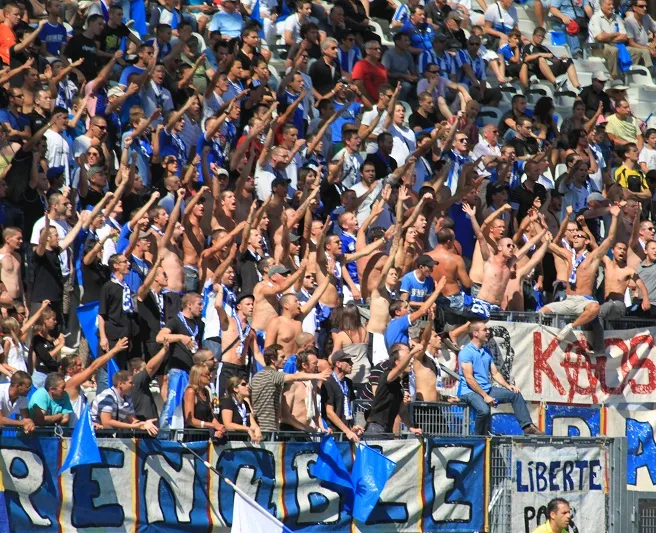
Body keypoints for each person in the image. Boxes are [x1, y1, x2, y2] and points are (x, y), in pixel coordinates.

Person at [541, 204, 621, 351]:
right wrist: (542, 227)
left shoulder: (592, 257)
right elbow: (548, 245)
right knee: (541, 311)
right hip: (568, 299)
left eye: (580, 236)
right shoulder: (568, 255)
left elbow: (609, 239)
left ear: (586, 241)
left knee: (595, 308)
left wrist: (615, 217)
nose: (576, 238)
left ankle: (571, 327)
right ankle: (544, 343)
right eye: (575, 236)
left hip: (584, 300)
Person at [458, 321, 543, 436]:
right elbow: (469, 378)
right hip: (469, 391)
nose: (488, 332)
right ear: (475, 333)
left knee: (515, 394)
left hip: (486, 389)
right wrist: (485, 396)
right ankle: (478, 438)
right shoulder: (466, 352)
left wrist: (508, 386)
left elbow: (495, 373)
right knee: (484, 411)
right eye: (485, 330)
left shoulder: (486, 351)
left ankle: (527, 427)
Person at [250, 344, 330, 431]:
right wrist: (318, 375)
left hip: (263, 426)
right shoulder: (274, 375)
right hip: (268, 427)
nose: (285, 359)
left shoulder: (257, 376)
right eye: (282, 357)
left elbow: (246, 390)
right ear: (273, 360)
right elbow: (295, 377)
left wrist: (251, 409)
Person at [365, 342, 424, 436]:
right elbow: (399, 369)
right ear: (397, 362)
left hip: (387, 429)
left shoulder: (400, 384)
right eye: (407, 359)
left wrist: (411, 428)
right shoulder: (386, 375)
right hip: (376, 429)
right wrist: (412, 352)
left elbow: (402, 410)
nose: (411, 361)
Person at [90, 370, 158, 435]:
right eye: (131, 383)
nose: (133, 385)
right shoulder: (107, 396)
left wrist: (144, 424)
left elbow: (132, 420)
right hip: (96, 435)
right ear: (120, 384)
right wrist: (133, 426)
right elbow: (107, 423)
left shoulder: (127, 398)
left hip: (110, 437)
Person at [321, 350, 364, 441]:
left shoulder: (348, 382)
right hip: (332, 433)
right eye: (348, 361)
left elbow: (348, 408)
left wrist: (352, 427)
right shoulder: (328, 382)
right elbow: (329, 412)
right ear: (338, 364)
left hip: (345, 433)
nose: (352, 363)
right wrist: (347, 431)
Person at [183, 363, 226, 437]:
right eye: (207, 374)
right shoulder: (191, 392)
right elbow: (190, 420)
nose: (210, 376)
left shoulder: (206, 392)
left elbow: (211, 417)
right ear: (198, 376)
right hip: (194, 436)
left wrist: (219, 428)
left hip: (206, 434)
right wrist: (212, 425)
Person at [220, 375, 262, 442]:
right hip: (229, 442)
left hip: (243, 441)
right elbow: (228, 424)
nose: (247, 386)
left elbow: (252, 423)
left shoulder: (245, 403)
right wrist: (247, 429)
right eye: (243, 384)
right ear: (235, 389)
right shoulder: (228, 401)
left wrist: (257, 429)